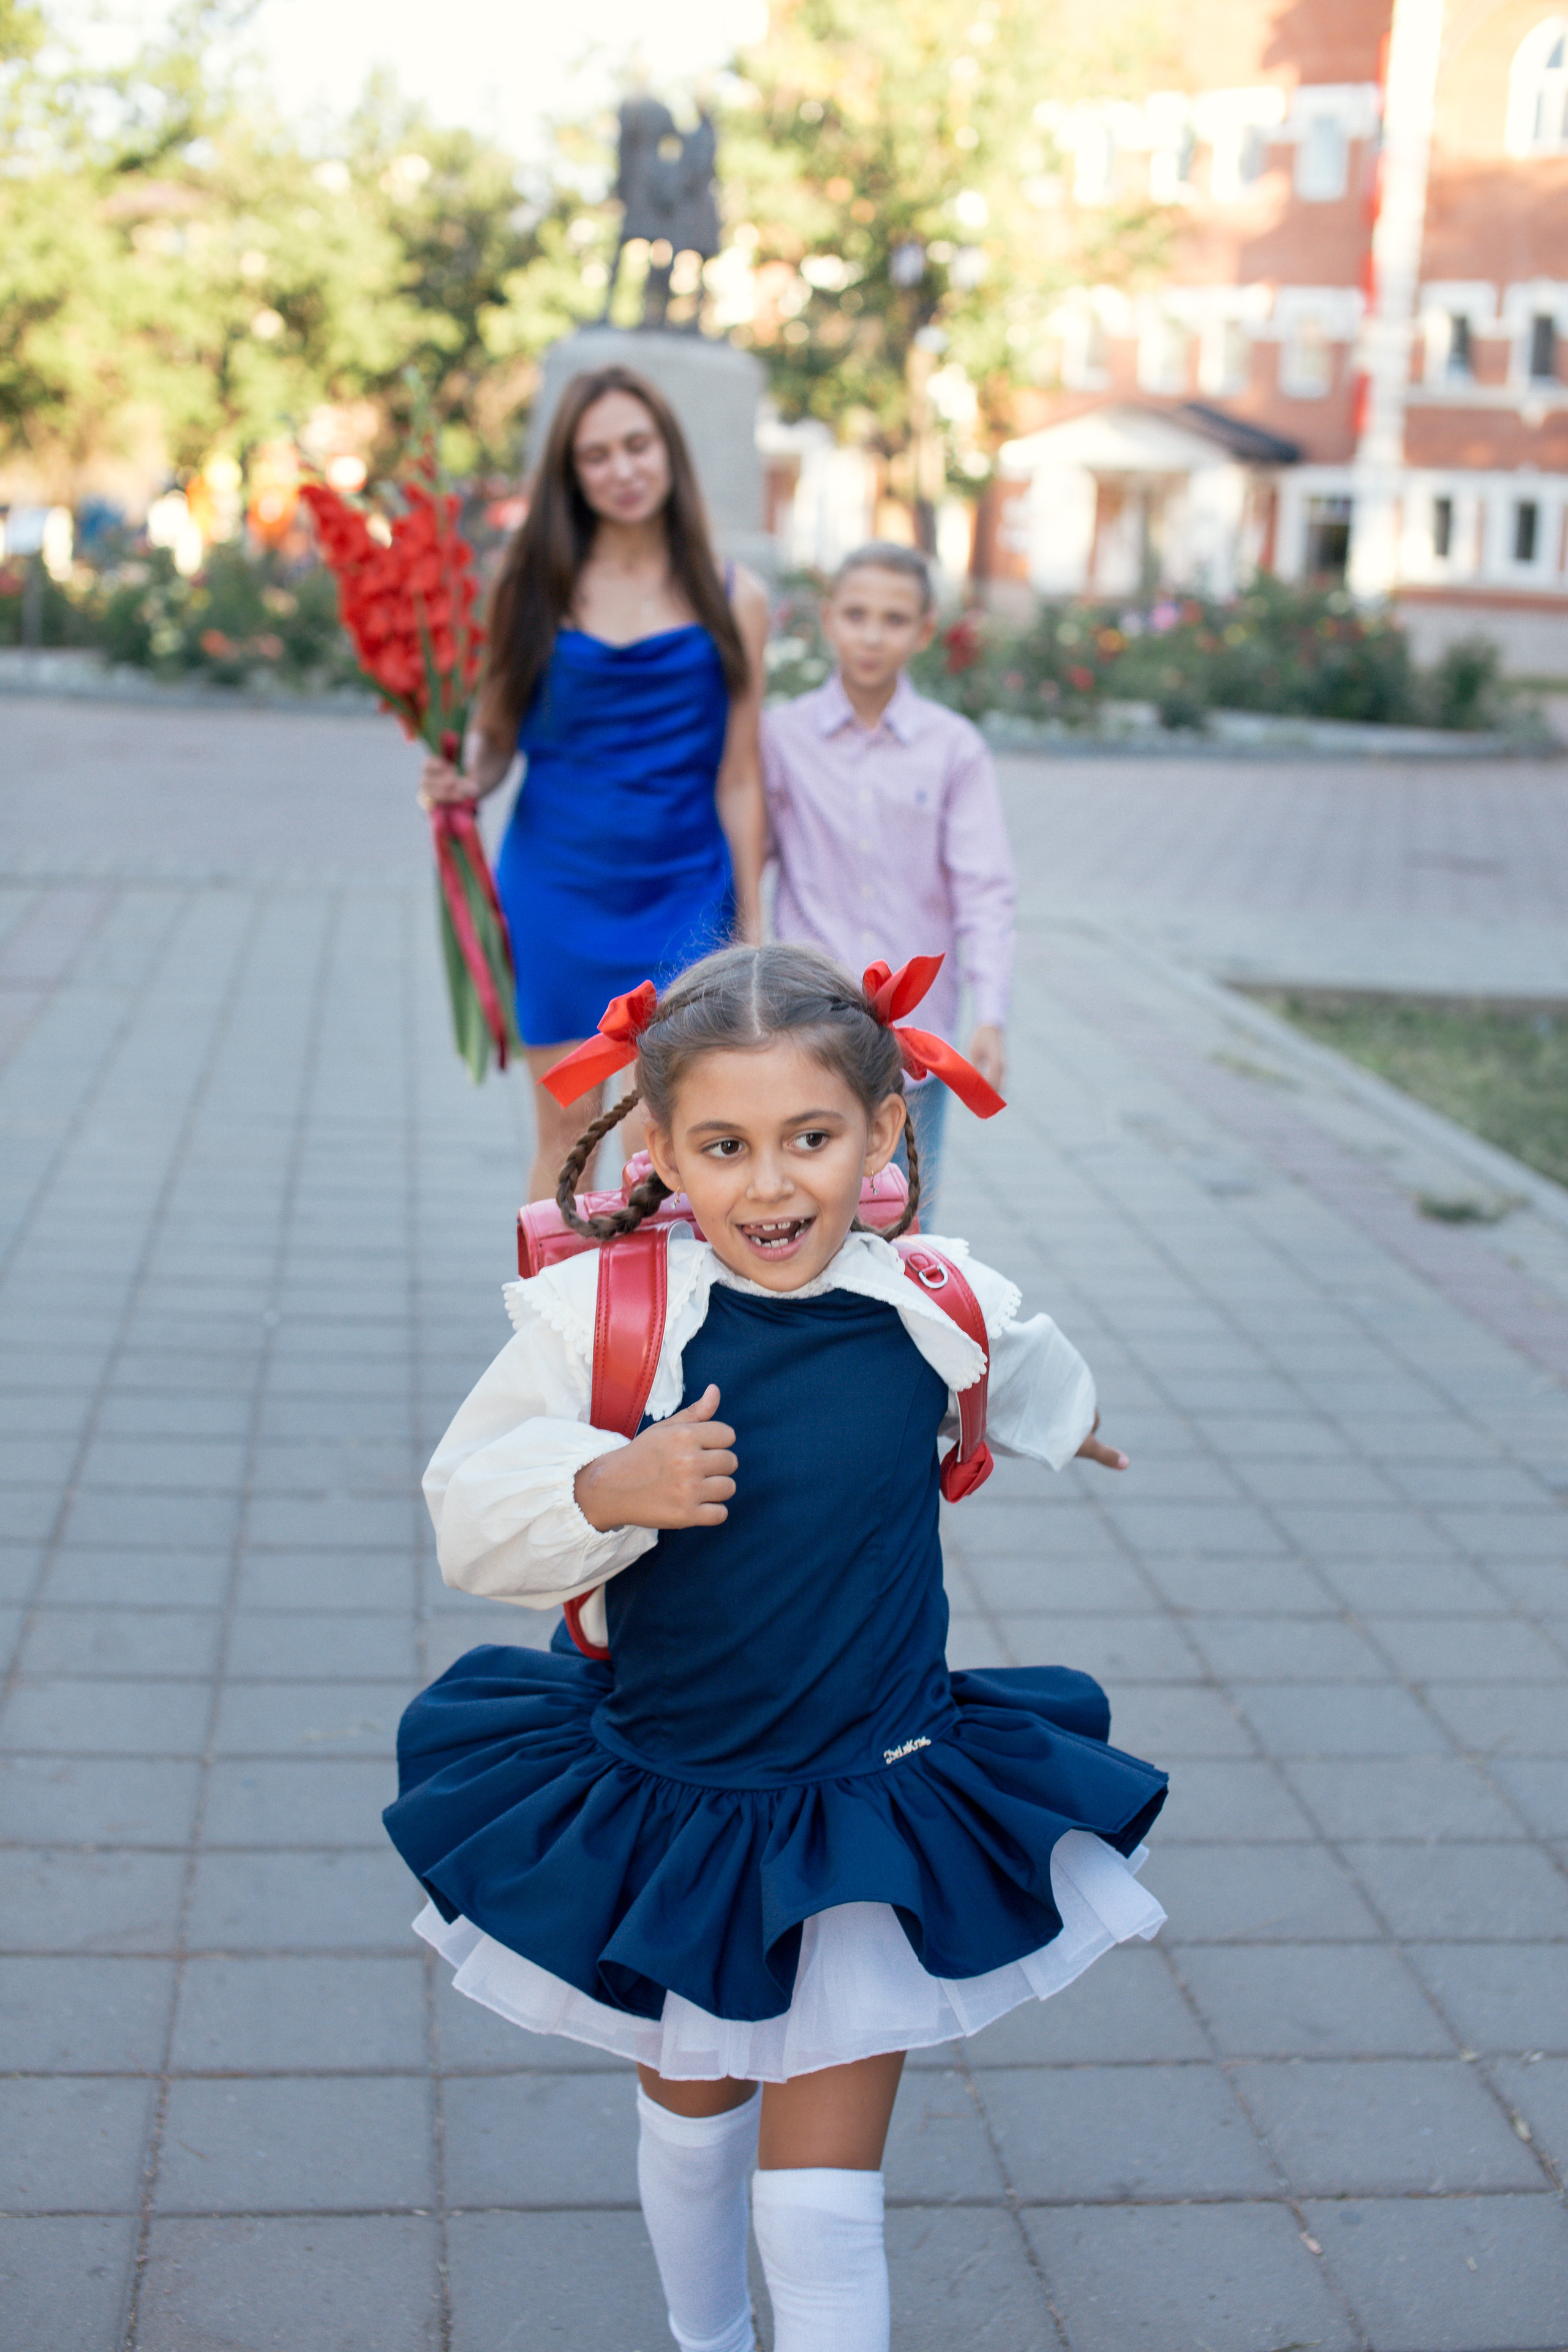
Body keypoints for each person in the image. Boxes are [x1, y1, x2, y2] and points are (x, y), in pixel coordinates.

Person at [383, 942, 1167, 2352]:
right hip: (673, 1804)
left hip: (871, 1804)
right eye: (722, 1145)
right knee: (692, 2128)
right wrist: (603, 1488)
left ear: (882, 1128)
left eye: (809, 1138)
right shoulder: (602, 1324)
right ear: (661, 1144)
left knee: (824, 2206)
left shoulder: (935, 1301)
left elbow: (1026, 1358)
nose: (767, 1184)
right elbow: (469, 1507)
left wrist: (1070, 1418)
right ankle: (705, 2333)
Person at [420, 364, 768, 1201]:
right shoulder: (530, 588)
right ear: (572, 475)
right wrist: (465, 777)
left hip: (688, 897)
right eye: (597, 455)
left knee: (674, 1145)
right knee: (569, 1137)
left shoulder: (735, 595)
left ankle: (661, 1332)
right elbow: (500, 737)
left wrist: (752, 928)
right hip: (558, 893)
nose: (622, 469)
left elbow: (742, 776)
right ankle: (557, 1332)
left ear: (669, 453)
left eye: (637, 445)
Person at [762, 542, 1014, 1221]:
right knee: (801, 1214)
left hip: (915, 1033)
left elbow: (983, 888)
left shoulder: (953, 747)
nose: (872, 635)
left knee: (903, 1221)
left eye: (894, 619)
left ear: (925, 630)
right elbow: (739, 852)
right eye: (856, 614)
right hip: (806, 1024)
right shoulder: (779, 738)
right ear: (827, 618)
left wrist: (990, 1010)